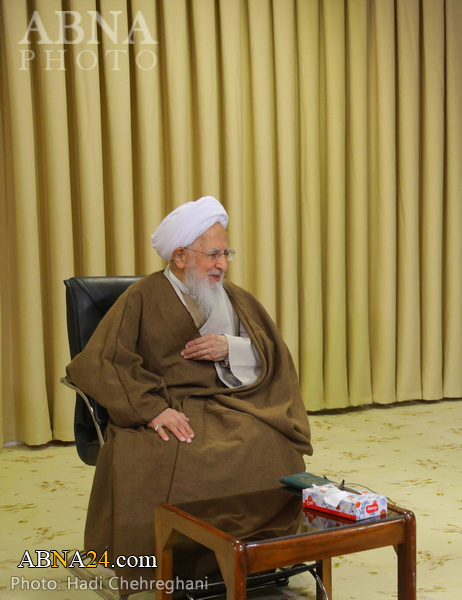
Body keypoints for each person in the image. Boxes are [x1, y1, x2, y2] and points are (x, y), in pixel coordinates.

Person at [67, 196, 312, 587]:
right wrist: (151, 410)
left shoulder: (235, 297)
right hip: (167, 405)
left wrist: (230, 347)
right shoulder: (142, 296)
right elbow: (102, 360)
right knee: (180, 452)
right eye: (213, 254)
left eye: (226, 253)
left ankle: (258, 554)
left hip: (232, 401)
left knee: (271, 442)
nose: (223, 264)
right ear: (180, 256)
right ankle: (180, 566)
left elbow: (273, 352)